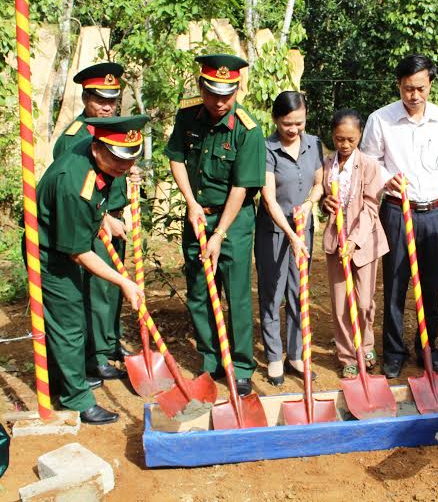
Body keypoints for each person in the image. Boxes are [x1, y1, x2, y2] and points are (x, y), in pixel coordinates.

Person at [166, 53, 265, 397]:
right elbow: (176, 159)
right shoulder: (187, 116)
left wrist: (219, 233)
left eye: (228, 93)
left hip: (233, 221)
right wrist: (191, 204)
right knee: (199, 290)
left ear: (238, 89)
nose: (220, 101)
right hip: (197, 214)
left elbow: (241, 187)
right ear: (201, 87)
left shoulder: (248, 130)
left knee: (235, 294)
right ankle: (210, 359)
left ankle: (239, 365)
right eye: (213, 93)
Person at [37, 115, 147, 424]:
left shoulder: (98, 157)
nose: (123, 168)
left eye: (130, 159)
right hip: (53, 253)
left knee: (75, 319)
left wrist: (103, 218)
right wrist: (123, 281)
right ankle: (76, 398)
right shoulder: (75, 184)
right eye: (117, 161)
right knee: (69, 323)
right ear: (98, 149)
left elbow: (93, 202)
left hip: (72, 237)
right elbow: (78, 252)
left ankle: (64, 380)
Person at [359, 54, 438, 379]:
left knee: (430, 287)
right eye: (407, 89)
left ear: (430, 84)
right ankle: (393, 352)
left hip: (434, 212)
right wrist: (386, 176)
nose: (413, 96)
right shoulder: (380, 120)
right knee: (395, 283)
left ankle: (428, 349)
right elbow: (369, 162)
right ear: (398, 86)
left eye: (419, 88)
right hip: (395, 212)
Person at [53, 62, 139, 381]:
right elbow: (77, 192)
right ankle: (96, 355)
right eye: (100, 99)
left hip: (114, 218)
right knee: (98, 288)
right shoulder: (75, 138)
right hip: (92, 222)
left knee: (114, 289)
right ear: (86, 98)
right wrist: (104, 219)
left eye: (112, 99)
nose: (107, 106)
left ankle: (111, 342)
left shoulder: (114, 131)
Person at [255, 91, 324, 386]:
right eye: (287, 124)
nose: (294, 129)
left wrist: (310, 204)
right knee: (273, 293)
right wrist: (291, 236)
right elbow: (268, 199)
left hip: (302, 229)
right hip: (273, 232)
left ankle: (295, 354)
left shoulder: (315, 144)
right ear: (275, 120)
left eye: (299, 123)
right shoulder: (267, 148)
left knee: (299, 293)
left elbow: (320, 183)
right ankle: (273, 357)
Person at [322, 109, 389, 378]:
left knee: (363, 302)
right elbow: (322, 196)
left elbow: (372, 208)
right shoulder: (327, 164)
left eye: (351, 139)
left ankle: (366, 343)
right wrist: (324, 202)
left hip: (365, 242)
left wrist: (353, 240)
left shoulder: (371, 166)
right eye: (339, 139)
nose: (345, 145)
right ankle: (347, 354)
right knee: (340, 304)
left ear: (360, 135)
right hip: (335, 244)